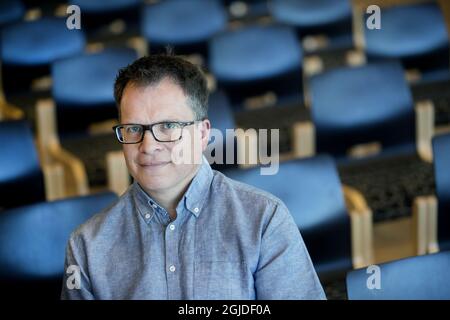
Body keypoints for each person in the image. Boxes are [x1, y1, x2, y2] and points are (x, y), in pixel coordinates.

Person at [61, 54, 326, 300]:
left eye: (168, 126)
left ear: (202, 134)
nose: (148, 146)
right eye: (133, 129)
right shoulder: (86, 247)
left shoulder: (264, 220)